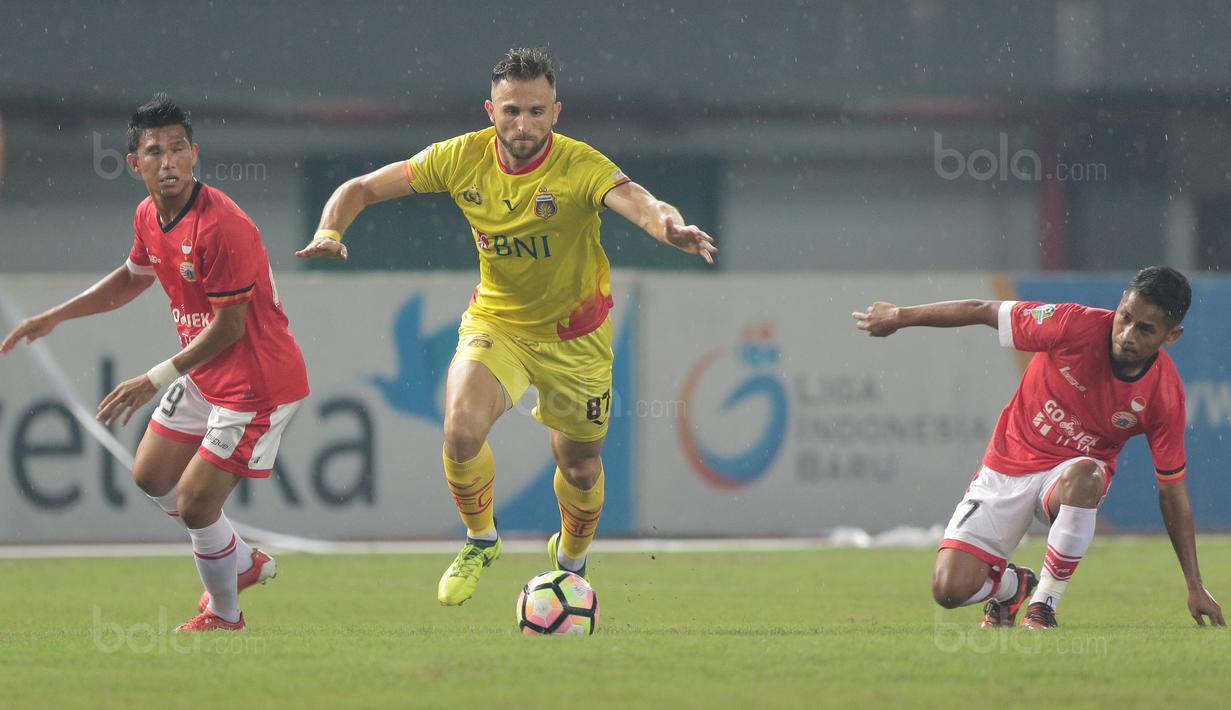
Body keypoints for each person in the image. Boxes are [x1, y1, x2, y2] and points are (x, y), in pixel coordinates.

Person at [297, 47, 717, 606]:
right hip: (498, 324)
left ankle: (571, 563)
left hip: (577, 339)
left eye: (537, 112)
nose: (524, 124)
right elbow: (361, 188)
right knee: (460, 429)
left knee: (580, 466)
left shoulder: (580, 165)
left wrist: (671, 228)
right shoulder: (459, 157)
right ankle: (481, 539)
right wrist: (330, 231)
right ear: (490, 110)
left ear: (556, 113)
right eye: (512, 110)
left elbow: (642, 203)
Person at [2, 94, 309, 631]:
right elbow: (130, 279)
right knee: (150, 475)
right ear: (134, 163)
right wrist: (56, 315)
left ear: (195, 155)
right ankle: (240, 560)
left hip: (256, 383)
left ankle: (224, 614)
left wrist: (153, 378)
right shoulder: (148, 215)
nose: (168, 162)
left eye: (178, 149)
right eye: (154, 152)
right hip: (207, 375)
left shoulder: (221, 225)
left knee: (195, 504)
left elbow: (231, 327)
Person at [852, 266, 1224, 628]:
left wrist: (1194, 584)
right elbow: (983, 310)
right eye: (1124, 317)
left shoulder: (1164, 394)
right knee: (948, 590)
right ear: (1121, 303)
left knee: (1085, 476)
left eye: (1145, 329)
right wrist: (900, 316)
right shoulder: (1072, 324)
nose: (1127, 335)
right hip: (1007, 463)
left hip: (1068, 479)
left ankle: (1044, 605)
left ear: (1172, 335)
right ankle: (1014, 587)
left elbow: (1172, 490)